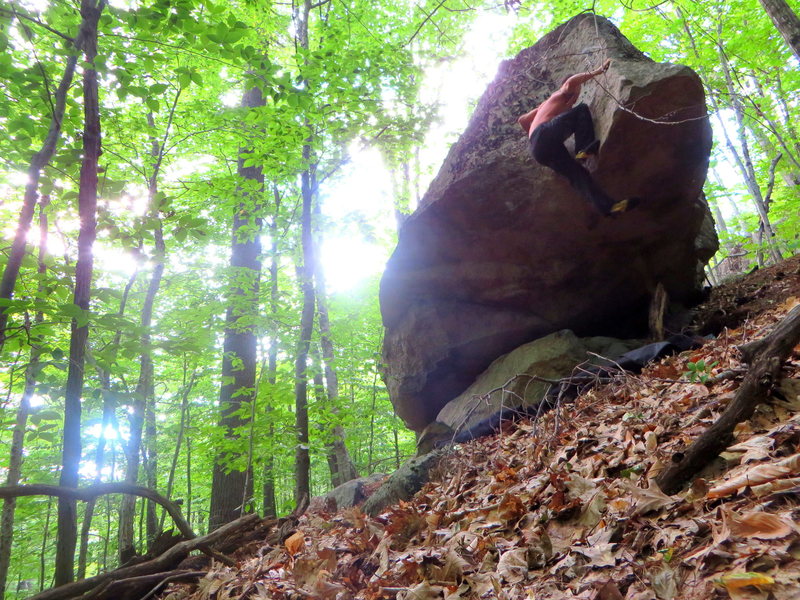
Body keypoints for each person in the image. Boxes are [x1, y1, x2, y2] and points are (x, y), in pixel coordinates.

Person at [517, 58, 637, 216]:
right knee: (581, 109)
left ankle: (608, 207)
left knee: (578, 175)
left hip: (539, 151)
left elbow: (523, 120)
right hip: (543, 134)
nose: (577, 94)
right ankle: (583, 148)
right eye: (579, 90)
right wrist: (598, 71)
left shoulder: (545, 106)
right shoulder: (562, 93)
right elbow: (571, 82)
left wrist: (535, 134)